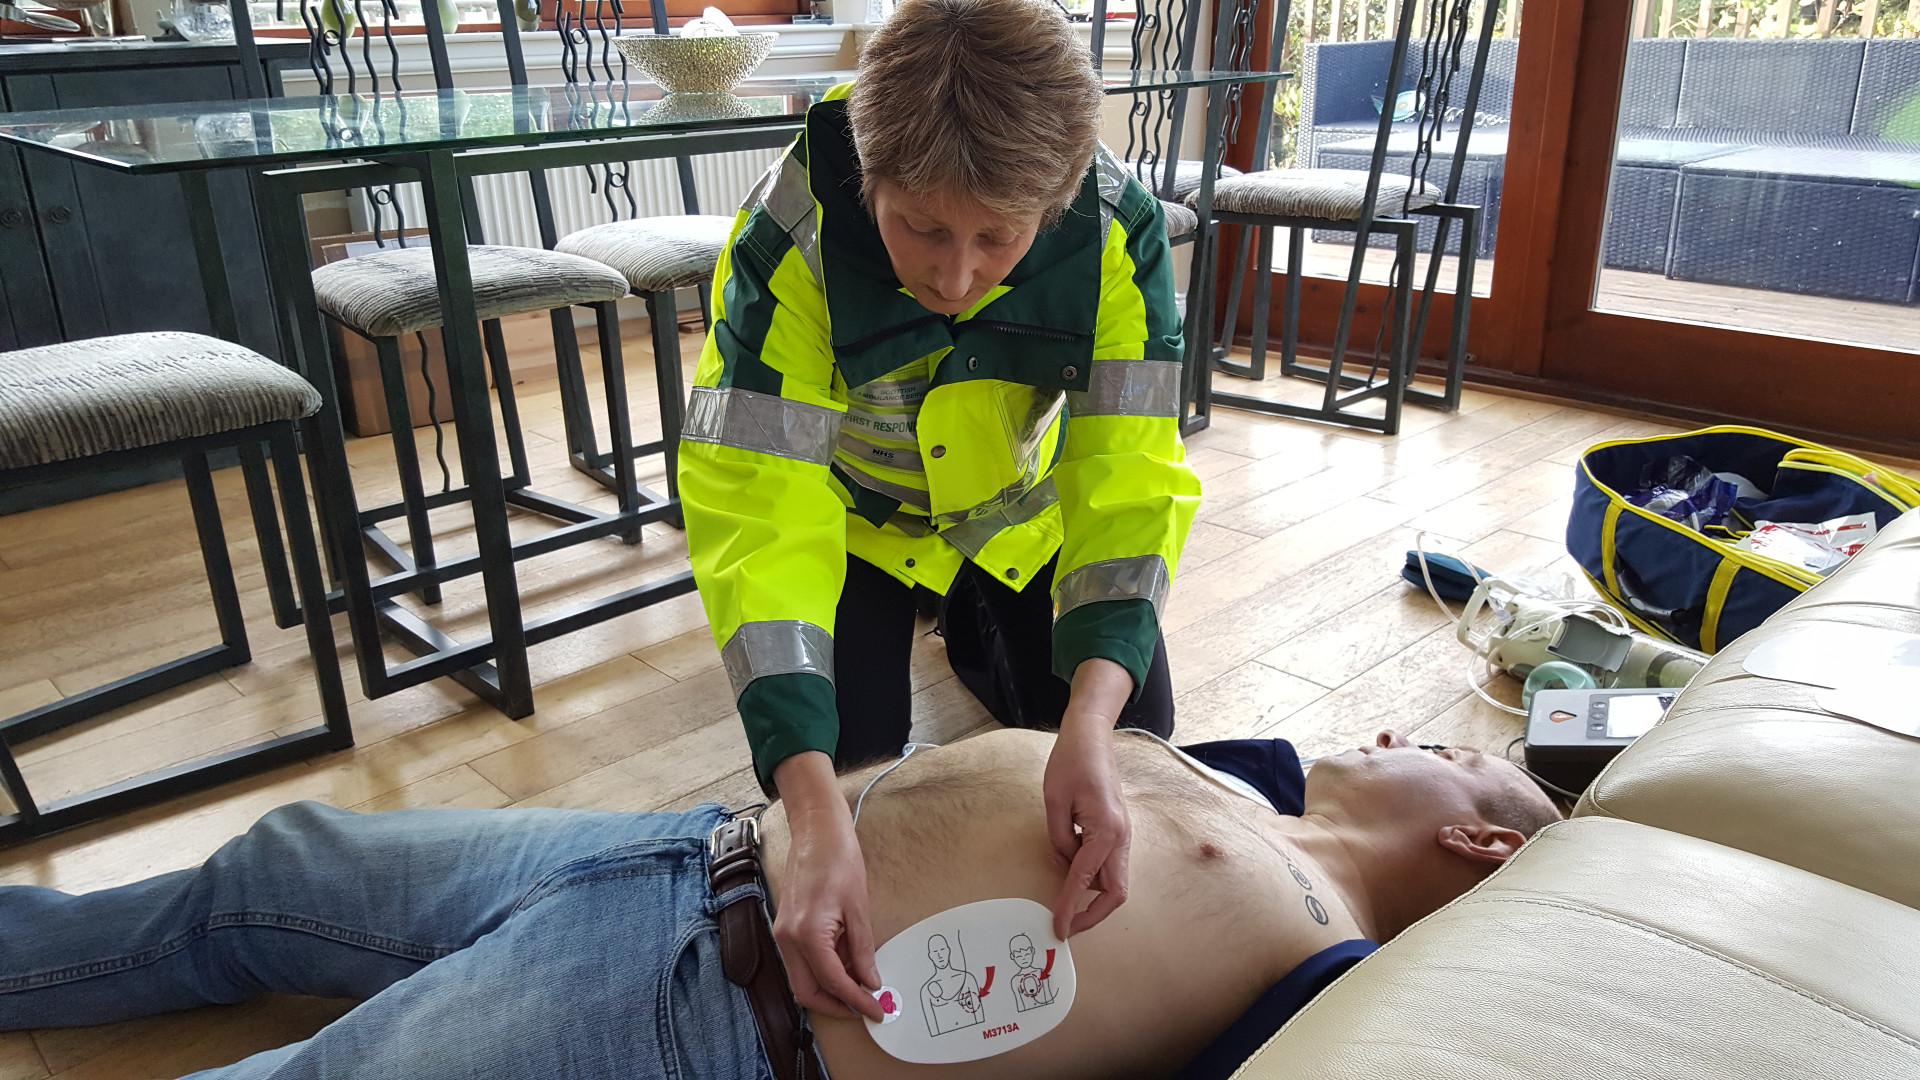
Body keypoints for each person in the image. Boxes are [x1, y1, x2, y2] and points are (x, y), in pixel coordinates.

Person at [0, 730, 1562, 1080]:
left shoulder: (1331, 969)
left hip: (713, 1020)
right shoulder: (1243, 778)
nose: (1419, 733)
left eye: (1458, 757)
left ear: (1480, 848)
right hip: (698, 847)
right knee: (285, 865)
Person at [676, 0, 1201, 1023]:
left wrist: (1091, 716)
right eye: (919, 227)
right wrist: (812, 803)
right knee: (853, 781)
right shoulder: (793, 227)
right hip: (855, 530)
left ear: (1053, 206)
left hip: (1013, 521)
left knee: (1138, 742)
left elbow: (1128, 475)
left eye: (996, 240)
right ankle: (947, 639)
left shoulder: (1117, 229)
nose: (954, 277)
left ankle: (973, 627)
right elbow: (757, 504)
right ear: (869, 175)